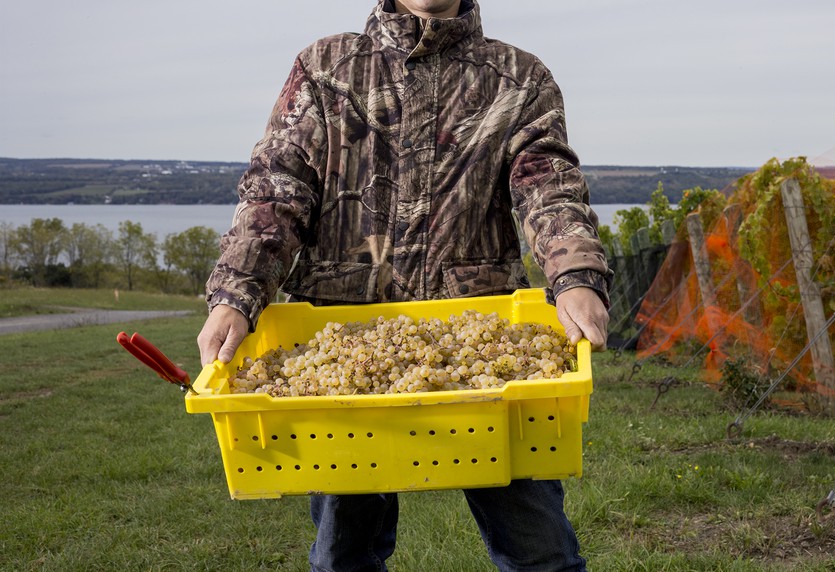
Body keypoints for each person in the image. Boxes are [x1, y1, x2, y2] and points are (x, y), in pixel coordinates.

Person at [197, 0, 611, 569]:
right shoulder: (326, 69)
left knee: (541, 553)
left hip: (484, 362)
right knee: (345, 556)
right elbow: (277, 189)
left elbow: (547, 187)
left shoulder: (519, 79)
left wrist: (574, 275)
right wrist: (237, 294)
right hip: (341, 360)